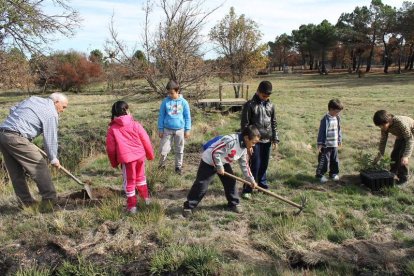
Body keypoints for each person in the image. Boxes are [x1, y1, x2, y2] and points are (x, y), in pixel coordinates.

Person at [0, 92, 68, 207]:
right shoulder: (51, 113)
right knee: (39, 165)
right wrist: (53, 158)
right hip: (16, 137)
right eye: (63, 107)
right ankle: (50, 199)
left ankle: (25, 202)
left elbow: (13, 109)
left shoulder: (33, 99)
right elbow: (50, 137)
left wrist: (22, 127)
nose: (63, 110)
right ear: (56, 102)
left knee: (16, 172)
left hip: (3, 134)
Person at [182, 125, 260, 217]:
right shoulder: (231, 140)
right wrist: (219, 166)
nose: (254, 145)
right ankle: (188, 207)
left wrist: (251, 180)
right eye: (253, 142)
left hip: (223, 162)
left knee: (230, 182)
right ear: (247, 138)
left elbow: (244, 165)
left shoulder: (244, 147)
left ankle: (233, 203)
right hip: (209, 161)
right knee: (202, 184)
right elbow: (215, 152)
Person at [106, 101, 155, 214]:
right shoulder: (135, 124)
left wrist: (114, 163)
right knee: (141, 178)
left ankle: (132, 206)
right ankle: (146, 199)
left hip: (127, 161)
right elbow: (145, 140)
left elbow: (111, 149)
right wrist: (150, 155)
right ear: (127, 110)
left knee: (129, 182)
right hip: (140, 157)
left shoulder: (112, 129)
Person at [240, 80, 279, 199]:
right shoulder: (249, 105)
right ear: (258, 92)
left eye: (267, 96)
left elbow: (274, 123)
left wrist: (275, 138)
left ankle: (262, 184)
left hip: (267, 140)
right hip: (254, 141)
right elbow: (245, 125)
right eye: (263, 96)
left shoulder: (271, 106)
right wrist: (248, 144)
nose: (265, 98)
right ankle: (248, 188)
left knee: (264, 164)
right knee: (254, 164)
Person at [157, 80, 191, 175]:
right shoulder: (165, 102)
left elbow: (187, 117)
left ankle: (178, 167)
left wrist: (187, 129)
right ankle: (161, 166)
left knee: (179, 149)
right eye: (168, 93)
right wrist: (160, 129)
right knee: (164, 149)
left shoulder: (184, 102)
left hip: (180, 130)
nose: (170, 95)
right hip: (167, 130)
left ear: (177, 91)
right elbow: (161, 116)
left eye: (172, 93)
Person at [373, 110, 414, 184]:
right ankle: (392, 174)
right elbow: (383, 141)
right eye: (379, 126)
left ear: (388, 121)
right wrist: (379, 155)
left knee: (402, 157)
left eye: (382, 125)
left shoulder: (400, 123)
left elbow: (409, 139)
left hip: (410, 134)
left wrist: (406, 156)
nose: (381, 128)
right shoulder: (384, 127)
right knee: (394, 155)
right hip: (401, 135)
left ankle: (404, 179)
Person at [315, 99, 344, 183]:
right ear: (331, 109)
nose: (338, 113)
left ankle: (333, 173)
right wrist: (320, 143)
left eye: (339, 112)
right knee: (324, 161)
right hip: (326, 145)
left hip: (334, 144)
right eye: (337, 111)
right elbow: (321, 132)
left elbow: (339, 130)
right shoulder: (325, 119)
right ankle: (320, 175)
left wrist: (339, 139)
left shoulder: (337, 118)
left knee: (334, 160)